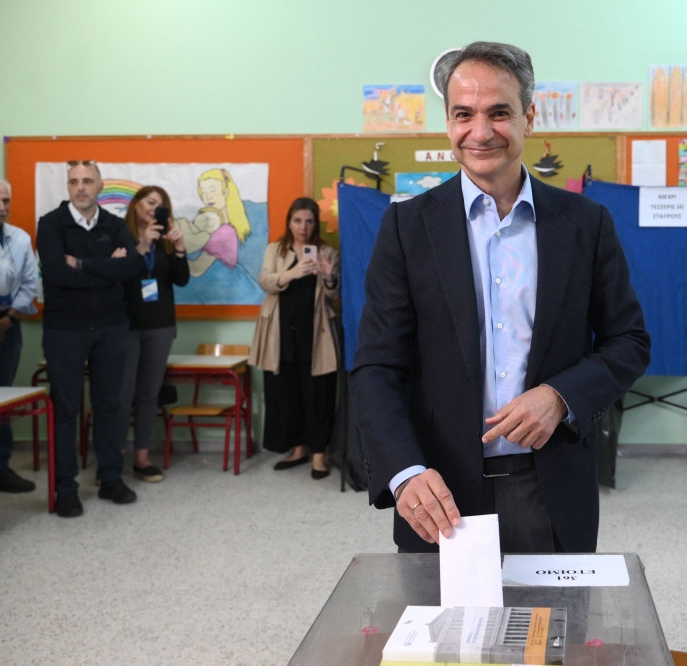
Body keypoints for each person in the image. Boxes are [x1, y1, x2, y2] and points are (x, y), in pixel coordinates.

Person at [350, 42, 651, 554]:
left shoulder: (584, 224)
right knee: (446, 635)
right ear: (448, 123)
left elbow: (629, 341)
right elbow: (378, 365)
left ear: (529, 118)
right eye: (463, 114)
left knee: (553, 631)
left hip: (551, 484)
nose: (480, 132)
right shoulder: (406, 227)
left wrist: (560, 396)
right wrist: (404, 472)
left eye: (500, 113)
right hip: (439, 491)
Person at [36, 161, 144, 517]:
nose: (80, 188)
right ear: (67, 187)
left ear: (100, 186)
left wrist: (81, 264)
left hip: (112, 328)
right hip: (65, 330)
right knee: (65, 409)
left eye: (87, 181)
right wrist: (106, 268)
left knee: (109, 406)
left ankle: (110, 478)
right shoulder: (51, 224)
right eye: (73, 182)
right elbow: (54, 275)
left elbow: (132, 269)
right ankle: (65, 488)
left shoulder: (114, 225)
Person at [249, 197, 340, 479]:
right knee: (287, 395)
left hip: (315, 335)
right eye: (298, 220)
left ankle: (319, 456)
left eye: (309, 221)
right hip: (280, 334)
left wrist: (328, 278)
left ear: (315, 224)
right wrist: (292, 272)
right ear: (289, 222)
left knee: (318, 396)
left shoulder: (326, 251)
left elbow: (333, 296)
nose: (303, 227)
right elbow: (265, 281)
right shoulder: (276, 249)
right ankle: (298, 449)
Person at [118, 186, 190, 483]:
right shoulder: (118, 236)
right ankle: (112, 460)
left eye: (161, 205)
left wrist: (180, 248)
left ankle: (143, 457)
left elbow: (182, 280)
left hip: (160, 325)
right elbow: (116, 276)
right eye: (150, 202)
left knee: (149, 394)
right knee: (122, 395)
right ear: (135, 206)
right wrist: (141, 246)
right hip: (125, 326)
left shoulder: (165, 240)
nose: (155, 208)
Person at [0, 177, 39, 493]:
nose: (1, 208)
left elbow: (30, 285)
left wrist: (7, 320)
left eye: (6, 201)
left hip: (8, 325)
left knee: (2, 397)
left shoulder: (20, 239)